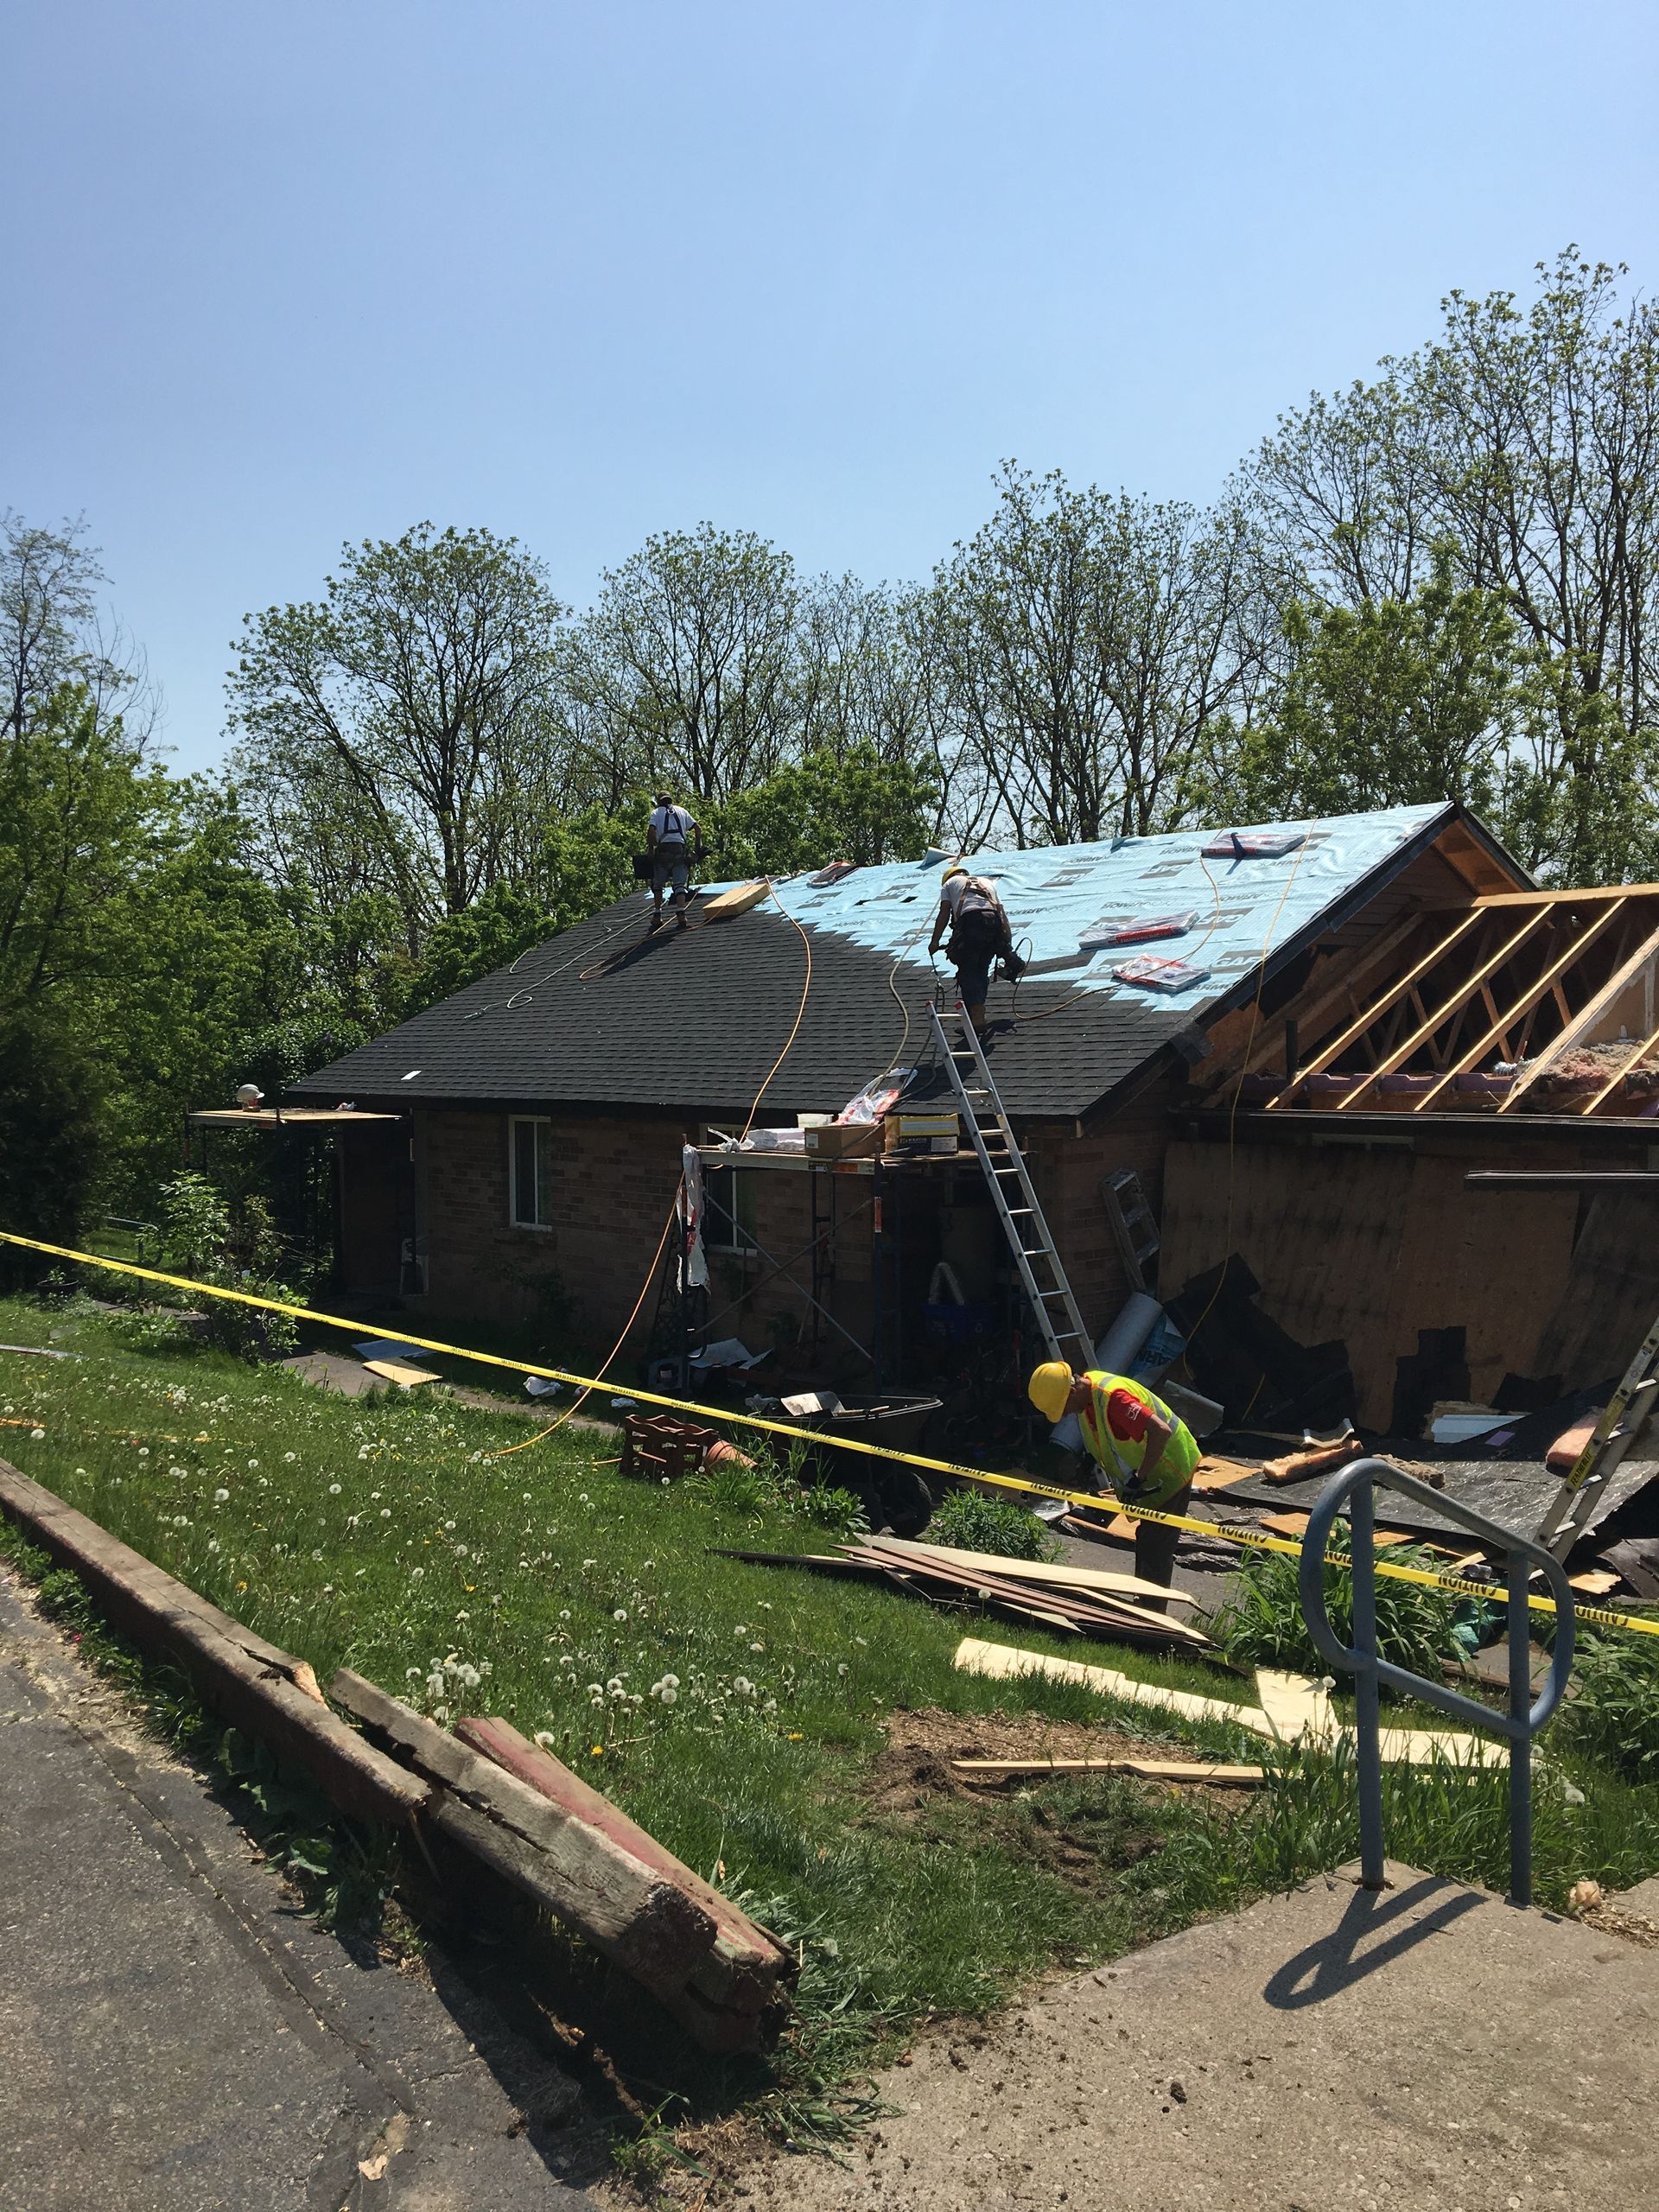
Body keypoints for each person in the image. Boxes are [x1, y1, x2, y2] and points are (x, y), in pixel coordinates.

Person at [1027, 1360, 1201, 1606]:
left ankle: (1151, 1618)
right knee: (1148, 1540)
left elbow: (1160, 1431)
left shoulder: (1114, 1399)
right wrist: (1088, 1461)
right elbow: (1103, 1434)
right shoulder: (1087, 1398)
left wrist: (1139, 1478)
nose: (1064, 1414)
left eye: (1063, 1407)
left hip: (1172, 1468)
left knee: (1156, 1544)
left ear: (1072, 1391)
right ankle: (1143, 1605)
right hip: (1154, 1473)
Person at [926, 862, 1020, 1034]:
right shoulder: (987, 882)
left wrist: (934, 941)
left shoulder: (949, 884)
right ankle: (978, 1017)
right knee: (981, 970)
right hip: (993, 922)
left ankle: (976, 1019)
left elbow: (944, 913)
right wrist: (1007, 946)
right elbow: (1001, 914)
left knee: (968, 970)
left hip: (971, 921)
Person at [646, 792, 702, 928]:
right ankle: (681, 915)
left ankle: (657, 915)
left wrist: (651, 848)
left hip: (663, 851)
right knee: (679, 885)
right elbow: (698, 828)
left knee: (657, 884)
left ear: (659, 801)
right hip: (680, 851)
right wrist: (697, 848)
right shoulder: (681, 811)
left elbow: (652, 830)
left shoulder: (656, 813)